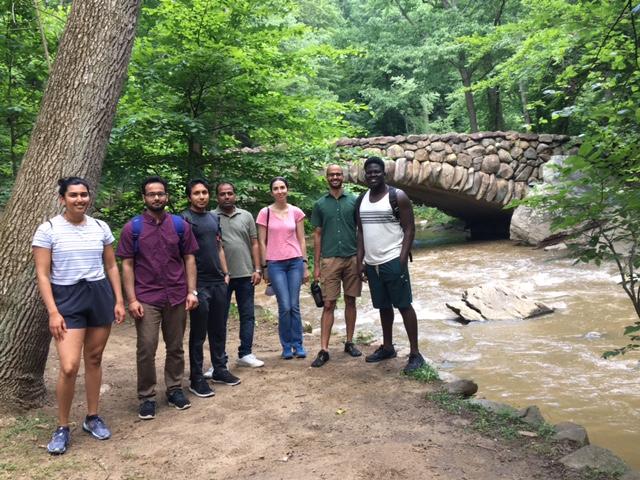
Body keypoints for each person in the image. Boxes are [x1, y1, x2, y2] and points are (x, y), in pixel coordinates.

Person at [33, 177, 126, 455]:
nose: (80, 200)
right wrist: (53, 311)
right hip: (67, 299)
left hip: (99, 296)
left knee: (94, 358)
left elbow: (111, 266)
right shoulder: (48, 229)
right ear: (63, 199)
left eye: (84, 195)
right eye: (73, 195)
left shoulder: (100, 227)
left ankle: (92, 417)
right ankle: (62, 426)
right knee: (70, 365)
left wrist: (118, 299)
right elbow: (42, 274)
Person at [117, 176, 199, 420]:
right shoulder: (133, 228)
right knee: (146, 348)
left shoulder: (179, 225)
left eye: (160, 194)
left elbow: (189, 259)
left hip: (176, 294)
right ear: (144, 198)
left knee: (175, 347)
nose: (156, 198)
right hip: (147, 297)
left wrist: (191, 291)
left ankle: (174, 389)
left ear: (167, 196)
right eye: (151, 194)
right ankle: (147, 396)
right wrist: (131, 299)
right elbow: (127, 265)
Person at [356, 157, 426, 373]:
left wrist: (402, 258)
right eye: (369, 173)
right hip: (372, 263)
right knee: (383, 307)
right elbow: (360, 232)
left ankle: (415, 354)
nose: (373, 176)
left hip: (393, 260)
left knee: (404, 305)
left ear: (384, 174)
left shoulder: (398, 197)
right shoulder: (361, 200)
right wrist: (360, 261)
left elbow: (409, 229)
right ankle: (388, 347)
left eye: (376, 172)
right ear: (365, 175)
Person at [181, 179, 240, 395]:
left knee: (219, 328)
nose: (201, 196)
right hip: (199, 283)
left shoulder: (213, 218)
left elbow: (219, 246)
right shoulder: (184, 220)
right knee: (199, 332)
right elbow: (183, 256)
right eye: (196, 193)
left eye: (204, 192)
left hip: (218, 282)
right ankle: (196, 378)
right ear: (190, 197)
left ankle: (219, 368)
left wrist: (226, 274)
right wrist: (190, 287)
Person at [310, 165, 362, 368]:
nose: (335, 177)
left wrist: (362, 258)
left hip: (352, 258)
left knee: (351, 301)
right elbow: (317, 235)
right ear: (326, 178)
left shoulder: (354, 201)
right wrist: (316, 265)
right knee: (329, 304)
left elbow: (360, 230)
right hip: (330, 259)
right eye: (331, 174)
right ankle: (324, 349)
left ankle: (349, 342)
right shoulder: (320, 204)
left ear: (343, 177)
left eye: (338, 174)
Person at [256, 177, 310, 359]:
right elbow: (262, 242)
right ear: (271, 192)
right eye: (276, 188)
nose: (280, 191)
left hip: (295, 261)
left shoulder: (296, 212)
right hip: (275, 264)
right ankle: (286, 345)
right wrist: (264, 266)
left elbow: (302, 239)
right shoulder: (265, 213)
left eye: (282, 187)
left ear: (287, 189)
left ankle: (298, 344)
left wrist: (305, 264)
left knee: (294, 305)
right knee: (284, 306)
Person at [214, 182, 265, 368]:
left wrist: (258, 268)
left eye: (229, 193)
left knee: (248, 315)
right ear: (217, 197)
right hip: (221, 277)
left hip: (246, 273)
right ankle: (219, 358)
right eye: (222, 194)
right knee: (220, 318)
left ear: (235, 195)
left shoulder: (246, 216)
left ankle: (246, 353)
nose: (226, 196)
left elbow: (254, 243)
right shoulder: (212, 217)